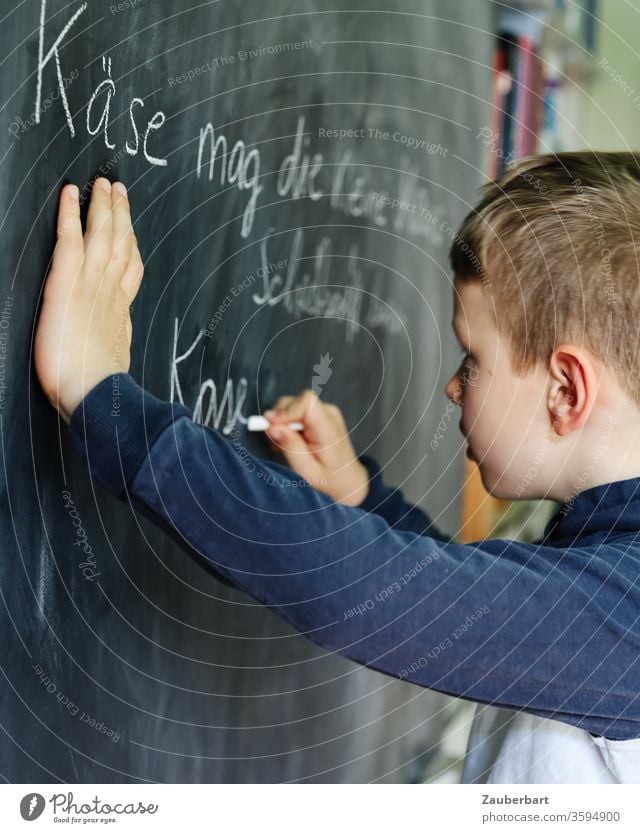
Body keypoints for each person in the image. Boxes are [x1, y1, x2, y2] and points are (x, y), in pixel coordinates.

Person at [34, 152, 640, 784]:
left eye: (473, 359)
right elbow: (470, 604)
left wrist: (100, 395)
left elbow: (386, 594)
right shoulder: (603, 561)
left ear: (566, 391)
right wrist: (362, 498)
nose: (453, 390)